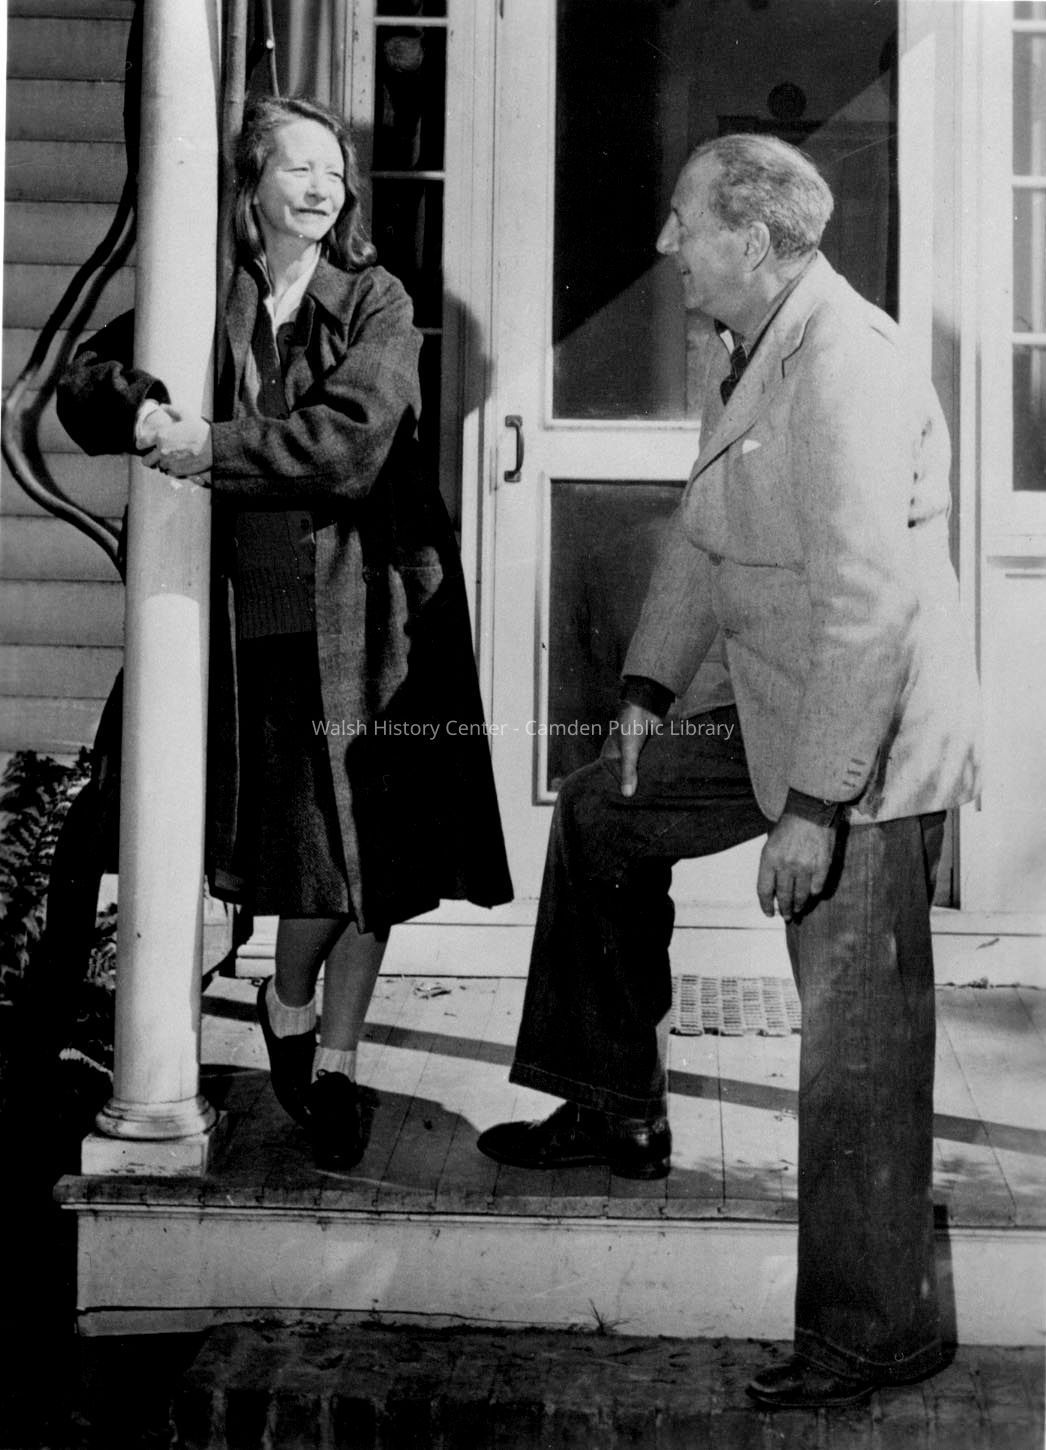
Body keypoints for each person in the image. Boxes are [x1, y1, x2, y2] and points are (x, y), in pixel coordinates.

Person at [477, 134, 980, 1409]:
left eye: (682, 222)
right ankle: (611, 1103)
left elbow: (867, 610)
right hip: (765, 705)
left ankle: (872, 1333)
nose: (665, 244)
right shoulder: (743, 347)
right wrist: (647, 689)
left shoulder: (848, 369)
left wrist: (811, 809)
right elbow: (707, 542)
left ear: (750, 242)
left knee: (854, 1048)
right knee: (601, 813)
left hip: (860, 745)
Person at [58, 94, 512, 1173]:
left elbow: (347, 443)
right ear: (251, 181)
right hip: (250, 624)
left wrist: (205, 444)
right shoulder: (204, 295)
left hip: (368, 613)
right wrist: (140, 409)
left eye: (335, 172)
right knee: (313, 854)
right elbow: (83, 383)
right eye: (299, 167)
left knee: (372, 857)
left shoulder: (377, 299)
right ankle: (296, 1017)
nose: (322, 187)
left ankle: (321, 1041)